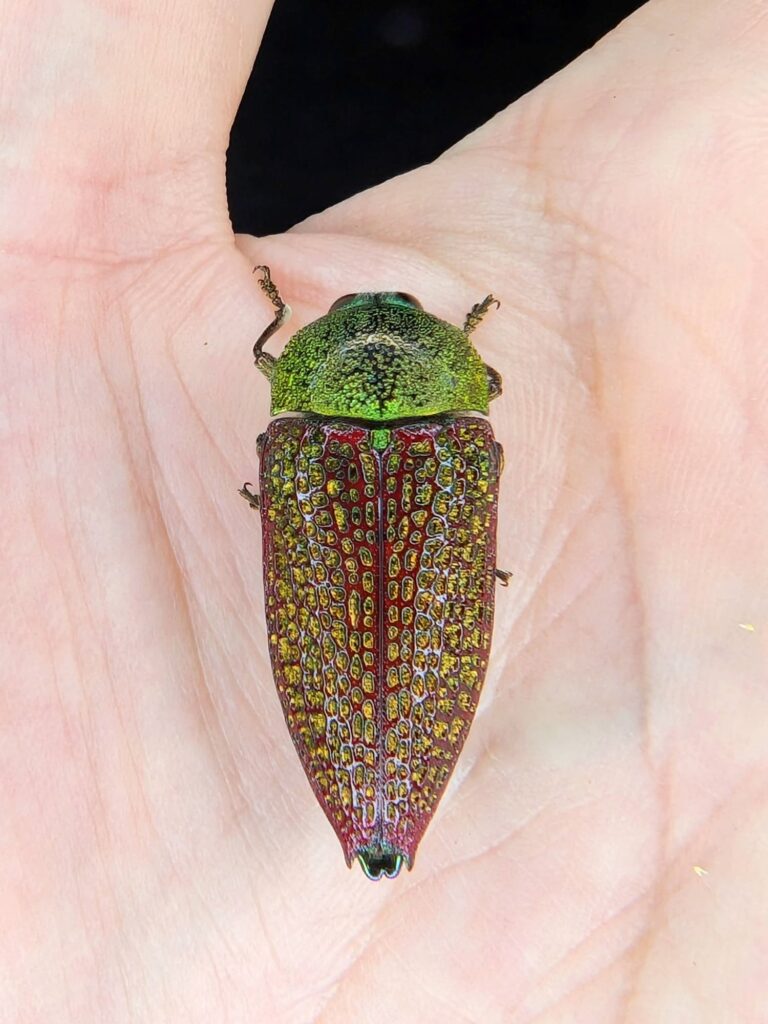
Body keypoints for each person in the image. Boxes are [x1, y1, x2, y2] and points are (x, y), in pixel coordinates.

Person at [1, 0, 763, 1018]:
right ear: (459, 369)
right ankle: (388, 825)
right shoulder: (462, 435)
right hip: (413, 622)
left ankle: (376, 828)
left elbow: (276, 355)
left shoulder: (301, 432)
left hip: (343, 581)